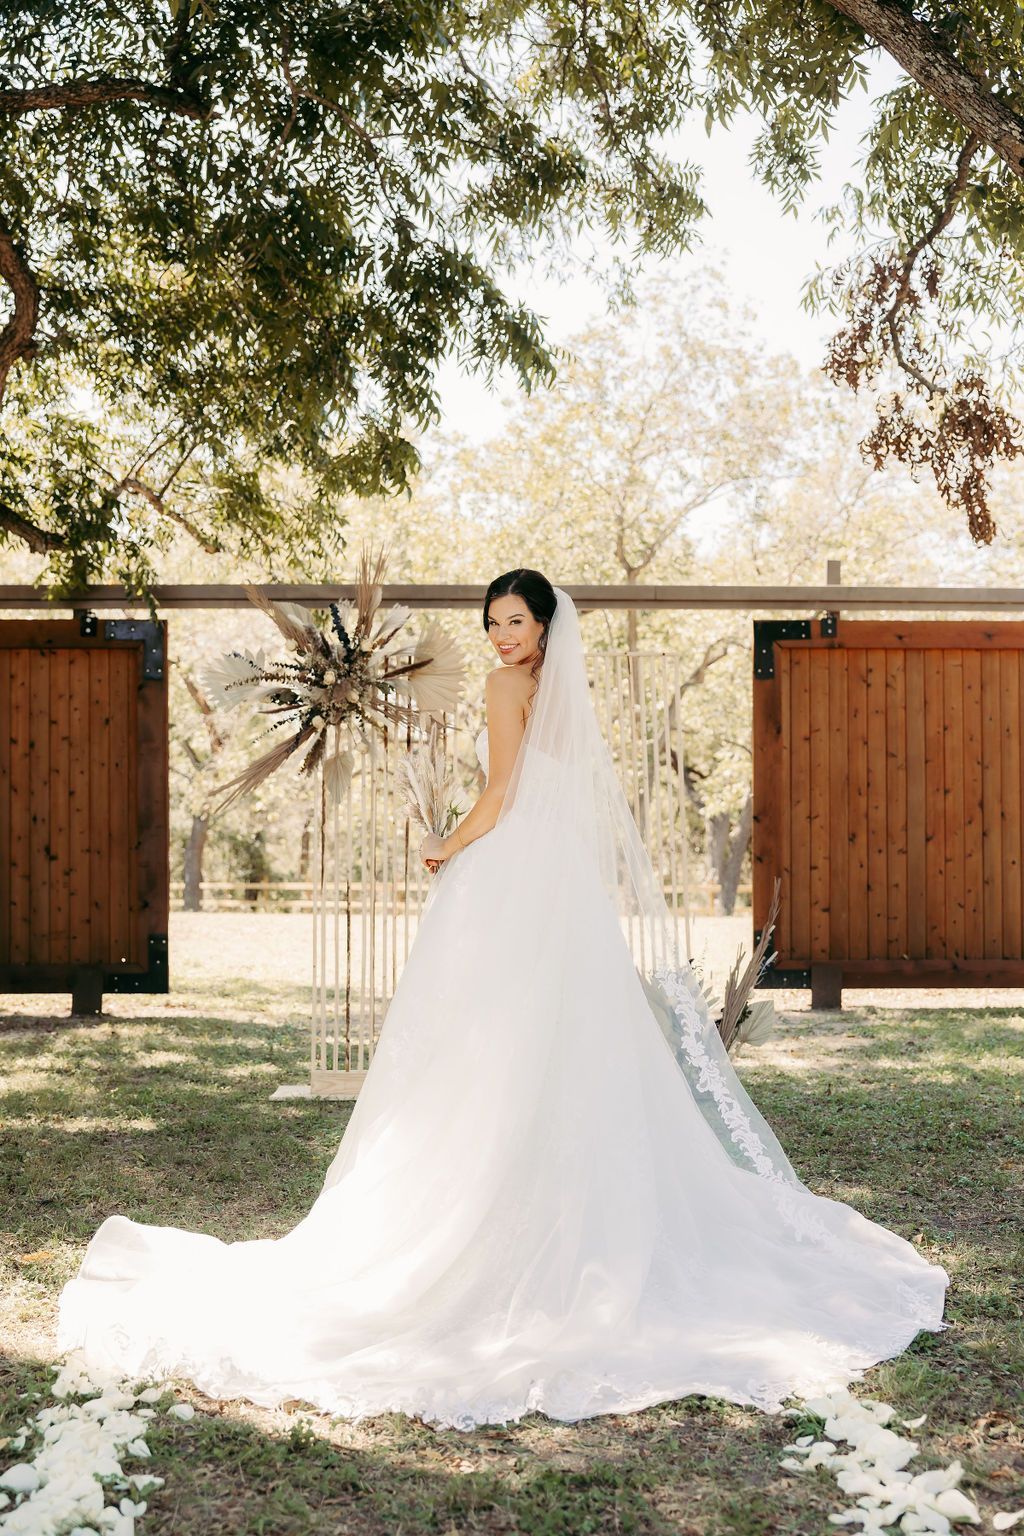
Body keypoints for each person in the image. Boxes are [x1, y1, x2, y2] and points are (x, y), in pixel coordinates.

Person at [57, 570, 950, 1432]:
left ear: (544, 626)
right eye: (494, 625)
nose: (500, 638)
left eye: (513, 622)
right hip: (564, 888)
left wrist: (445, 846)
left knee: (491, 1048)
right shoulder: (566, 693)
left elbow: (502, 794)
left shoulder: (505, 689)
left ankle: (497, 1212)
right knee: (554, 1044)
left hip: (516, 878)